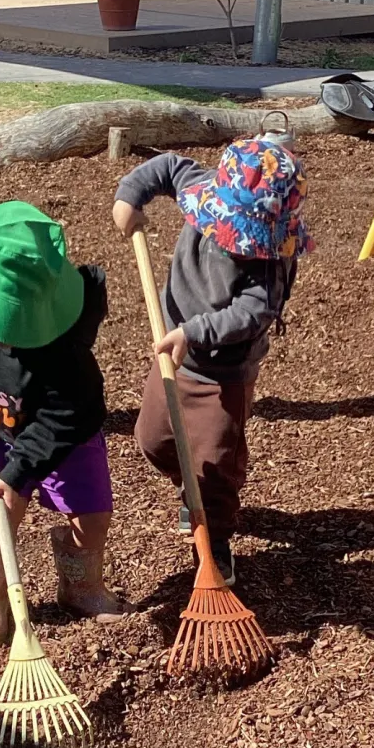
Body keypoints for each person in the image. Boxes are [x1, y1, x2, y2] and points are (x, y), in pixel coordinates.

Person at [0, 201, 132, 646]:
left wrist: (20, 474)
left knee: (91, 517)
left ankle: (81, 587)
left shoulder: (64, 350)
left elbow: (63, 417)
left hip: (67, 439)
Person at [112, 138, 314, 585]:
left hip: (224, 374)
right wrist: (130, 195)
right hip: (174, 356)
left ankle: (216, 541)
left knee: (216, 462)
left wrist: (193, 331)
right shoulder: (205, 185)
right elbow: (165, 166)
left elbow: (253, 312)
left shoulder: (268, 261)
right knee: (152, 440)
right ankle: (193, 490)